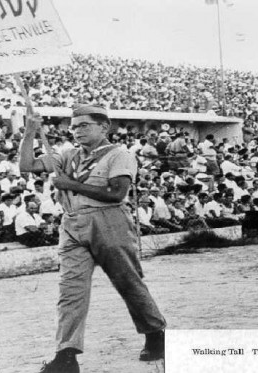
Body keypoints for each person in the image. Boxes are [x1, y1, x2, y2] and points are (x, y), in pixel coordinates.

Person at [19, 104, 166, 373]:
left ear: (104, 127)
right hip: (72, 223)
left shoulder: (119, 155)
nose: (77, 131)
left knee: (128, 282)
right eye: (74, 127)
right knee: (70, 290)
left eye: (84, 125)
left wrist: (71, 185)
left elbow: (116, 194)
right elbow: (27, 165)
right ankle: (66, 354)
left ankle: (155, 333)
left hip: (109, 221)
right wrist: (29, 132)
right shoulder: (66, 155)